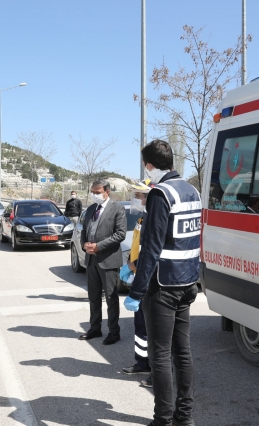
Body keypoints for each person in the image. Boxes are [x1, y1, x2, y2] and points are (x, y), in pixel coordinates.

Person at [124, 140, 201, 426]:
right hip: (188, 282)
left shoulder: (160, 193)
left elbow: (152, 248)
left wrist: (136, 290)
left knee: (159, 355)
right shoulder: (192, 190)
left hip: (162, 287)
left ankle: (163, 419)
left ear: (149, 165)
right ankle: (185, 417)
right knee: (183, 351)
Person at [79, 179, 126, 345]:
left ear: (107, 192)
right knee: (93, 297)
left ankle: (114, 331)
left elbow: (120, 234)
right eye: (93, 192)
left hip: (108, 260)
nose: (94, 195)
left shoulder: (117, 209)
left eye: (98, 192)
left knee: (111, 298)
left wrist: (98, 246)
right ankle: (95, 328)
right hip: (91, 260)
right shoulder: (91, 209)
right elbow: (85, 230)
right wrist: (85, 244)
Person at [121, 179, 154, 386]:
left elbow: (151, 252)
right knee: (140, 325)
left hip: (148, 279)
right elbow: (137, 245)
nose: (136, 199)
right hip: (139, 276)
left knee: (153, 328)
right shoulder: (143, 217)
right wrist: (130, 265)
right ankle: (142, 363)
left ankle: (158, 371)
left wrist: (133, 267)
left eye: (139, 196)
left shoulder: (155, 218)